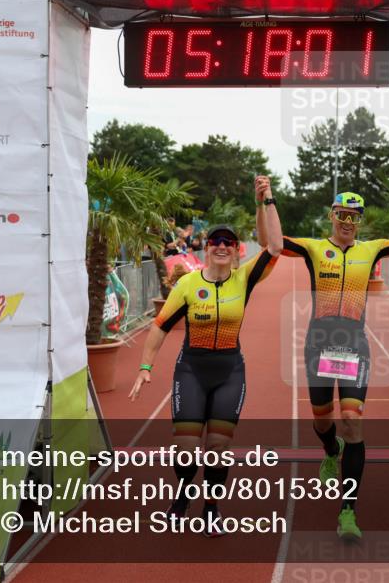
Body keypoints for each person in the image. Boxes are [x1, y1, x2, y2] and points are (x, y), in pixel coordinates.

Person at [259, 160, 389, 541]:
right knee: (323, 422)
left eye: (354, 216)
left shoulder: (370, 250)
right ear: (332, 215)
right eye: (342, 214)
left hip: (353, 344)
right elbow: (272, 244)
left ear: (360, 220)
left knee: (352, 421)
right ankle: (329, 449)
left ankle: (348, 511)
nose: (347, 222)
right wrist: (266, 200)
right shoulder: (315, 248)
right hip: (318, 344)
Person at [129, 176, 282, 536]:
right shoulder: (187, 284)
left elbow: (275, 246)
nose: (223, 246)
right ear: (206, 248)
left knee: (218, 446)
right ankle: (182, 496)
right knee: (185, 445)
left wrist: (266, 199)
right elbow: (160, 326)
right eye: (216, 241)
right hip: (191, 370)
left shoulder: (244, 279)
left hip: (230, 370)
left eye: (229, 242)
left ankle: (211, 506)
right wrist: (145, 367)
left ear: (237, 250)